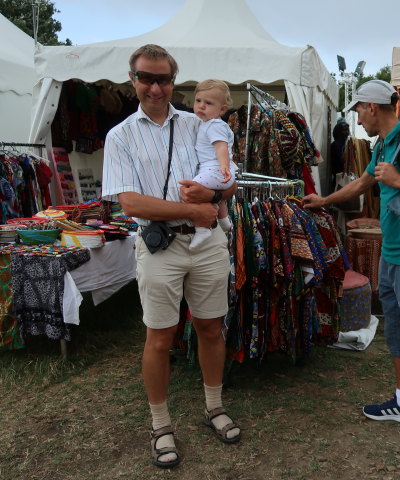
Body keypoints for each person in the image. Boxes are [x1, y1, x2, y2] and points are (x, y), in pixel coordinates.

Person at [302, 80, 400, 454]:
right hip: (393, 254)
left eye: (358, 109)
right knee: (399, 332)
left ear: (373, 107)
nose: (357, 117)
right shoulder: (385, 144)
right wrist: (323, 200)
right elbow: (361, 184)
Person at [102, 44, 240, 469]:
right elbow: (130, 204)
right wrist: (192, 210)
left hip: (207, 241)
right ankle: (161, 424)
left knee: (211, 328)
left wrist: (215, 195)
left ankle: (214, 407)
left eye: (163, 79)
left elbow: (228, 179)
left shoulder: (198, 122)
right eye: (147, 78)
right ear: (133, 80)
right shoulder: (120, 135)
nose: (155, 87)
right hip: (160, 245)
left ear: (173, 81)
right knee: (159, 337)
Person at [191, 78, 237, 249]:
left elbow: (221, 148)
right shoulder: (208, 124)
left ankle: (202, 228)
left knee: (192, 191)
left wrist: (224, 166)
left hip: (216, 169)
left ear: (222, 109)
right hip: (215, 169)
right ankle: (224, 220)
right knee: (216, 195)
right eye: (198, 101)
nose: (201, 106)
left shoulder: (214, 125)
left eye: (208, 103)